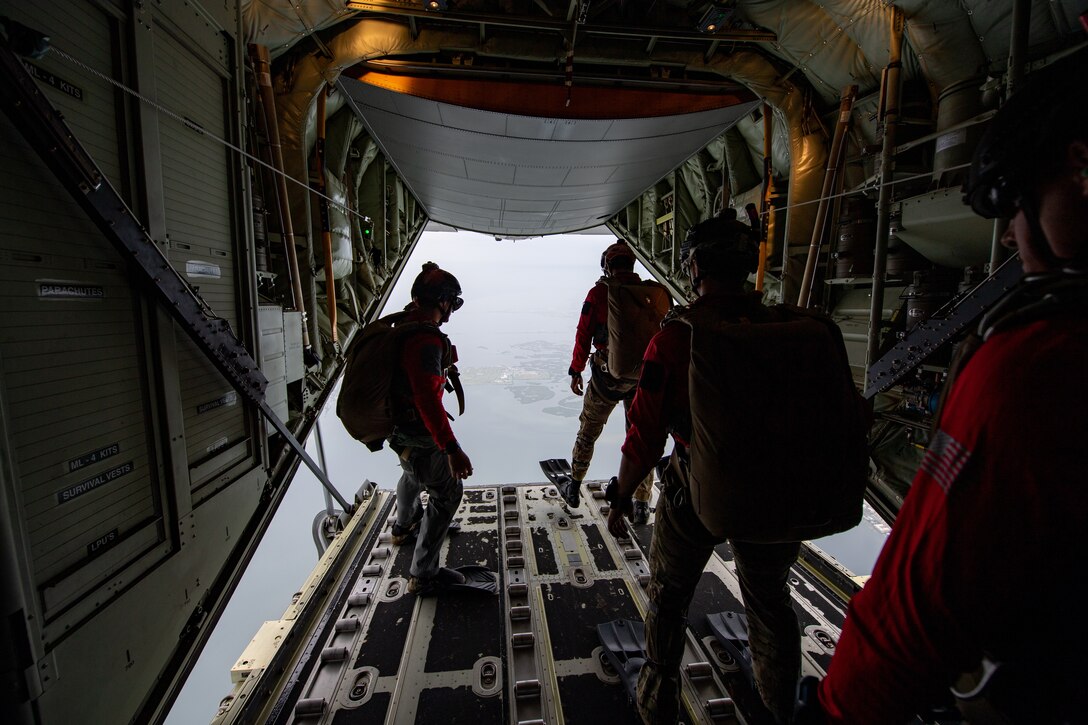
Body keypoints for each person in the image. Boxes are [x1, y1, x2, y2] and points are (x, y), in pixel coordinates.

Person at [810, 50, 1088, 723]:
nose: (1015, 238)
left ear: (1081, 171)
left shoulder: (1037, 366)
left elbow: (923, 594)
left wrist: (841, 707)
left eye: (1023, 203)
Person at [607, 217, 804, 725]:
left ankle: (657, 704)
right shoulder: (789, 327)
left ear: (693, 267)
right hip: (776, 490)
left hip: (698, 490)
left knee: (669, 598)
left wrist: (622, 496)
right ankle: (782, 706)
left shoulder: (676, 339)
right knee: (769, 601)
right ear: (747, 265)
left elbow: (645, 434)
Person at [387, 262, 475, 595]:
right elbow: (427, 400)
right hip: (419, 432)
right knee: (448, 491)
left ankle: (404, 525)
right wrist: (451, 449)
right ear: (441, 299)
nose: (453, 307)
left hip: (400, 431)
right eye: (453, 300)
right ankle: (423, 574)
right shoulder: (425, 340)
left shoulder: (406, 324)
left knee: (412, 473)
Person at [562, 241, 663, 521]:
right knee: (641, 437)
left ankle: (574, 485)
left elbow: (583, 335)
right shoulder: (649, 293)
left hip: (606, 379)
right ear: (632, 265)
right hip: (642, 381)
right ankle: (642, 503)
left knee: (588, 431)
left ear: (607, 265)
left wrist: (575, 370)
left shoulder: (598, 293)